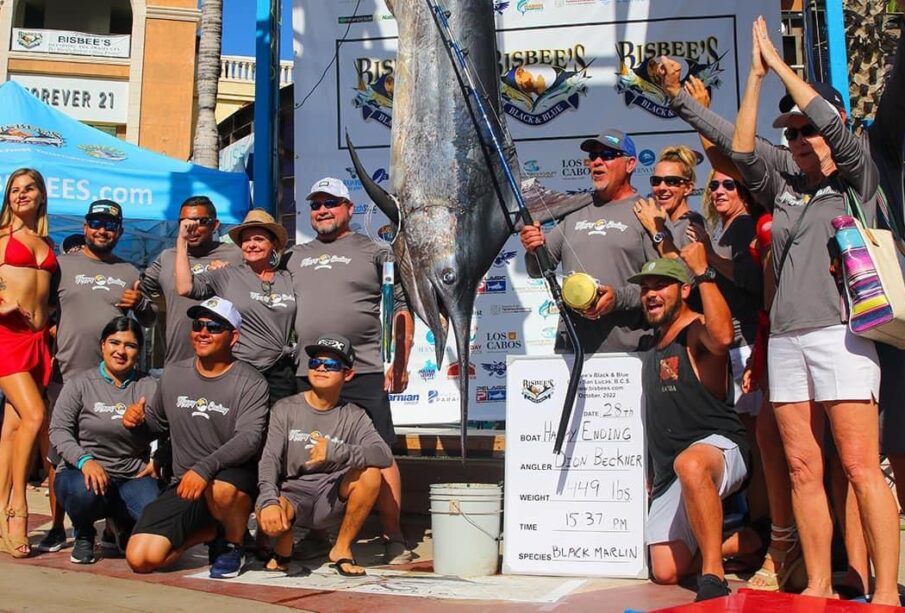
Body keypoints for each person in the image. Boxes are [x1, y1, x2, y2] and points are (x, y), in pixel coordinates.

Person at [730, 17, 900, 605]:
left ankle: (884, 594)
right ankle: (821, 582)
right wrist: (754, 80)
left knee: (858, 465)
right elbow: (742, 149)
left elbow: (833, 125)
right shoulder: (786, 186)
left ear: (834, 129)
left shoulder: (859, 172)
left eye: (808, 130)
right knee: (803, 467)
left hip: (843, 335)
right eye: (793, 134)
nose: (800, 140)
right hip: (786, 339)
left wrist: (782, 65)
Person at [286, 177, 413, 564]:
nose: (322, 210)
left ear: (349, 209)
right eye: (316, 204)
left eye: (331, 203)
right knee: (309, 451)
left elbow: (402, 308)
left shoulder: (377, 251)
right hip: (310, 373)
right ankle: (315, 532)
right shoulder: (293, 256)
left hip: (365, 370)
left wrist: (401, 360)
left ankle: (393, 534)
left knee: (380, 453)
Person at [630, 249, 751, 602]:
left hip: (721, 449)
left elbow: (724, 337)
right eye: (646, 288)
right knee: (666, 571)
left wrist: (703, 274)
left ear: (684, 290)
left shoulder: (697, 329)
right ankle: (739, 539)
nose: (651, 293)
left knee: (692, 462)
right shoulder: (651, 344)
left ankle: (712, 574)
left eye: (662, 285)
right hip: (671, 469)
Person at [38, 198, 156, 553]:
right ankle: (60, 527)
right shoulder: (61, 265)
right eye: (96, 223)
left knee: (115, 447)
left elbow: (149, 321)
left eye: (110, 225)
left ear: (118, 232)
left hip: (117, 382)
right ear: (86, 226)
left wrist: (139, 304)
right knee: (58, 454)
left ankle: (112, 524)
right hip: (67, 372)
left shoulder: (129, 270)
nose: (102, 230)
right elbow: (41, 307)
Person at [123, 297, 269, 579]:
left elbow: (249, 439)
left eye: (213, 327)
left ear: (233, 337)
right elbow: (156, 426)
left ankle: (232, 543)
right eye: (197, 325)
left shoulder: (251, 381)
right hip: (184, 484)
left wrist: (204, 468)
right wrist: (137, 423)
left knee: (223, 490)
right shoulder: (174, 374)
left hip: (230, 479)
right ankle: (211, 531)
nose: (203, 332)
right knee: (140, 558)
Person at [257, 334, 392, 577]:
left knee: (371, 474)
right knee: (270, 517)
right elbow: (269, 460)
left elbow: (384, 455)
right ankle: (283, 547)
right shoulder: (285, 408)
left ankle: (341, 548)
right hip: (291, 493)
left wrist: (336, 452)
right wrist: (267, 500)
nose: (320, 368)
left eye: (330, 365)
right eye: (315, 363)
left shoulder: (355, 415)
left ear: (347, 374)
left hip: (330, 496)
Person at [519, 129, 658, 353]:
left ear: (630, 164)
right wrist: (533, 249)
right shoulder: (576, 209)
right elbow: (538, 269)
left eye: (608, 155)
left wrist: (618, 299)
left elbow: (663, 287)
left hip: (631, 353)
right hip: (573, 351)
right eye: (593, 157)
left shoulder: (647, 212)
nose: (597, 162)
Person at [49, 317, 160, 564]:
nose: (121, 351)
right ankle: (84, 532)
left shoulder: (150, 386)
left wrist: (158, 457)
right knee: (82, 493)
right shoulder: (79, 383)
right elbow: (58, 430)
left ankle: (118, 525)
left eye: (130, 346)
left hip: (132, 474)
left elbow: (171, 431)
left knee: (154, 513)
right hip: (84, 474)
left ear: (139, 351)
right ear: (102, 345)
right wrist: (84, 460)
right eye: (114, 342)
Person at [175, 209, 296, 404]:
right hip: (240, 368)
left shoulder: (287, 278)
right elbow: (184, 287)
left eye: (258, 239)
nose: (251, 245)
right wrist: (181, 242)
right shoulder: (226, 274)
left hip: (280, 372)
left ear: (273, 243)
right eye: (246, 240)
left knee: (277, 430)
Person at [0, 168, 57, 558]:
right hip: (6, 336)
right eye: (15, 190)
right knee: (35, 417)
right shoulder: (1, 238)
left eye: (29, 188)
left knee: (14, 426)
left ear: (40, 196)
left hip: (38, 342)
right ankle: (16, 508)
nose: (22, 194)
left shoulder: (45, 241)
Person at [142, 196, 242, 366]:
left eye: (201, 221)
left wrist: (230, 275)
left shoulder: (236, 256)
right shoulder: (167, 257)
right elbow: (141, 287)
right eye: (185, 222)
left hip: (225, 364)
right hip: (177, 361)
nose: (192, 228)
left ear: (215, 225)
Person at [633, 145, 704, 255]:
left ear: (688, 188)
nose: (661, 188)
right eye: (656, 181)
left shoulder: (692, 225)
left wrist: (656, 231)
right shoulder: (655, 220)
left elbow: (685, 271)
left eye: (671, 181)